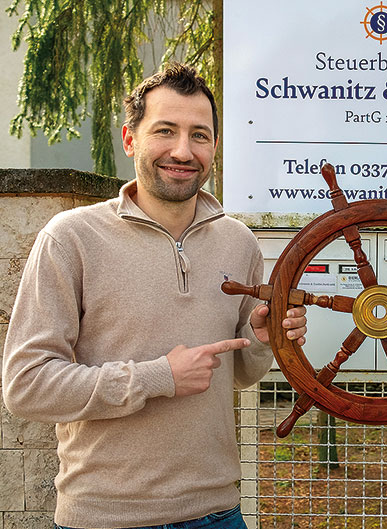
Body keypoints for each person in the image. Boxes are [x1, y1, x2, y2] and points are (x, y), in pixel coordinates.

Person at [2, 63, 307, 529]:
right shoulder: (71, 238)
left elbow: (241, 374)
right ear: (130, 139)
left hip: (218, 512)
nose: (183, 151)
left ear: (214, 148)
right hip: (104, 516)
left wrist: (262, 338)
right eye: (165, 131)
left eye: (199, 135)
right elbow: (27, 386)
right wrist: (157, 376)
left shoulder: (239, 242)